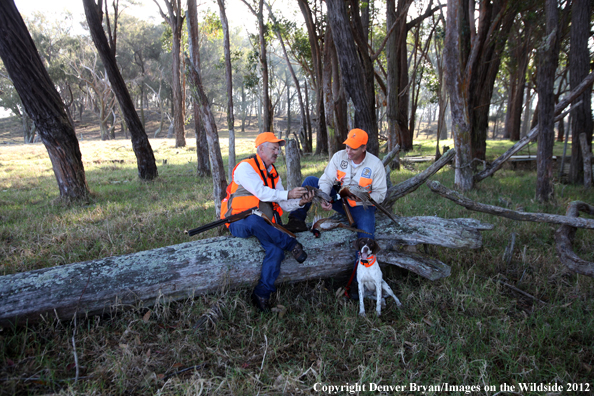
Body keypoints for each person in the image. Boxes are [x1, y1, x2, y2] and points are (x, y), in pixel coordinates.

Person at [221, 132, 314, 312]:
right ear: (260, 149)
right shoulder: (245, 168)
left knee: (276, 250)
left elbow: (283, 204)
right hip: (237, 221)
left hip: (265, 225)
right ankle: (292, 244)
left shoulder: (273, 174)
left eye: (278, 149)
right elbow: (262, 193)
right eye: (273, 148)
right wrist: (288, 193)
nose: (277, 152)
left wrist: (300, 202)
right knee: (254, 222)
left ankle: (262, 294)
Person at [285, 128, 387, 239]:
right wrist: (324, 196)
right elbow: (327, 179)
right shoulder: (339, 156)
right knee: (310, 181)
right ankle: (296, 220)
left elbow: (380, 194)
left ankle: (364, 255)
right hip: (339, 199)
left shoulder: (375, 164)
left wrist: (362, 198)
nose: (348, 151)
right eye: (347, 147)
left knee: (366, 232)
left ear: (364, 148)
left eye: (353, 149)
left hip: (362, 206)